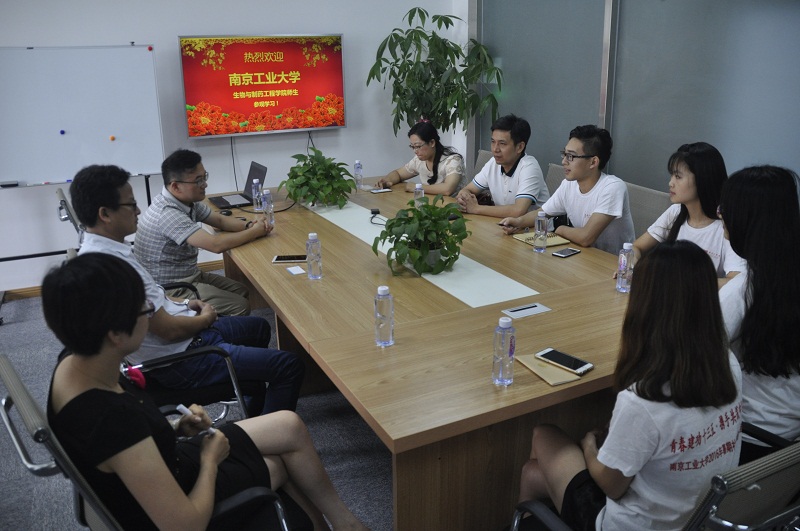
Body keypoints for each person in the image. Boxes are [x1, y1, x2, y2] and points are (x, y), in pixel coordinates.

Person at [44, 252, 368, 531]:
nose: (151, 315)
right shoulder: (111, 420)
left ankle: (344, 523)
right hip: (179, 495)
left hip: (161, 460)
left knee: (288, 425)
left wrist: (175, 427)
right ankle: (336, 525)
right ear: (115, 333)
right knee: (280, 464)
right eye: (145, 311)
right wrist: (210, 461)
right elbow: (184, 525)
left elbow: (125, 449)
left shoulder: (77, 359)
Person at [518, 240, 742, 531]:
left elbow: (611, 486)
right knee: (532, 473)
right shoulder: (728, 365)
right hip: (698, 518)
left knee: (543, 434)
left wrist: (589, 448)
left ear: (645, 304)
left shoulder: (645, 399)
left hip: (629, 524)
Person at [69, 165, 304, 415]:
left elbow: (153, 298)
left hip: (183, 333)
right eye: (131, 205)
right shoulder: (114, 270)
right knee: (289, 365)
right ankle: (267, 434)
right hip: (181, 359)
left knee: (259, 328)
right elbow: (169, 331)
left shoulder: (106, 251)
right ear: (105, 214)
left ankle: (253, 407)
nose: (137, 210)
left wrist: (184, 304)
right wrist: (206, 318)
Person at [718, 165, 800, 463]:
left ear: (747, 219)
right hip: (789, 444)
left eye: (726, 208)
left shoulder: (741, 293)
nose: (720, 213)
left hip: (746, 439)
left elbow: (688, 363)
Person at [135, 149, 272, 316]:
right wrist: (255, 232)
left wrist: (250, 225)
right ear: (176, 186)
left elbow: (219, 220)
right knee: (240, 306)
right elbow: (215, 245)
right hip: (171, 289)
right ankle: (209, 329)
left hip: (188, 275)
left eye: (204, 177)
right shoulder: (168, 214)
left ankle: (221, 323)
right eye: (198, 180)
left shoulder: (184, 201)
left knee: (241, 289)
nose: (205, 184)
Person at [500, 125, 635, 254]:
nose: (564, 161)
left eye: (571, 156)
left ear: (593, 162)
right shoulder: (569, 185)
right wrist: (518, 222)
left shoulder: (613, 188)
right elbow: (542, 213)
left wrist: (560, 229)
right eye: (564, 154)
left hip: (615, 263)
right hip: (583, 255)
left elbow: (586, 237)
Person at [630, 142, 745, 279]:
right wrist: (631, 265)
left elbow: (736, 281)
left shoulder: (725, 227)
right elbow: (636, 247)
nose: (670, 183)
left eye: (678, 177)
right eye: (672, 175)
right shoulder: (676, 212)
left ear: (703, 180)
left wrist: (685, 283)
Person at [455, 114, 549, 217]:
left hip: (534, 226)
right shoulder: (493, 163)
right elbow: (469, 189)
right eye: (493, 142)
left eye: (502, 143)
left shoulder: (529, 167)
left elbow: (518, 210)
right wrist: (463, 196)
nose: (495, 149)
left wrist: (476, 208)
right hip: (502, 222)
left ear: (520, 147)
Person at [375, 121, 466, 196]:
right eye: (412, 147)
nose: (415, 151)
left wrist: (417, 187)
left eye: (418, 146)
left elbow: (448, 189)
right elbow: (398, 173)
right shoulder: (418, 160)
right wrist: (387, 180)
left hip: (453, 208)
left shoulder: (453, 160)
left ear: (432, 143)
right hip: (431, 205)